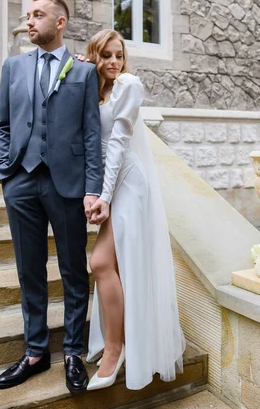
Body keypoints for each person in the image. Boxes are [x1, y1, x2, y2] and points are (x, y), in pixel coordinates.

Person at [0, 0, 102, 393]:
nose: (30, 21)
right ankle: (36, 352)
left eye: (39, 15)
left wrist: (93, 189)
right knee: (29, 270)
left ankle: (73, 352)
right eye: (29, 15)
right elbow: (1, 125)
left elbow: (92, 135)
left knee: (74, 271)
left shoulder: (83, 72)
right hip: (21, 181)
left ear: (60, 22)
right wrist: (5, 173)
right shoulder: (14, 67)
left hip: (68, 185)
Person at [77, 29, 186, 391]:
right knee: (114, 265)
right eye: (106, 55)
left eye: (118, 55)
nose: (113, 62)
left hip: (128, 182)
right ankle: (122, 339)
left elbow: (120, 142)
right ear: (95, 55)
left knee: (101, 262)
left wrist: (104, 197)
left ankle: (115, 348)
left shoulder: (128, 85)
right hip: (110, 183)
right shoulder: (96, 88)